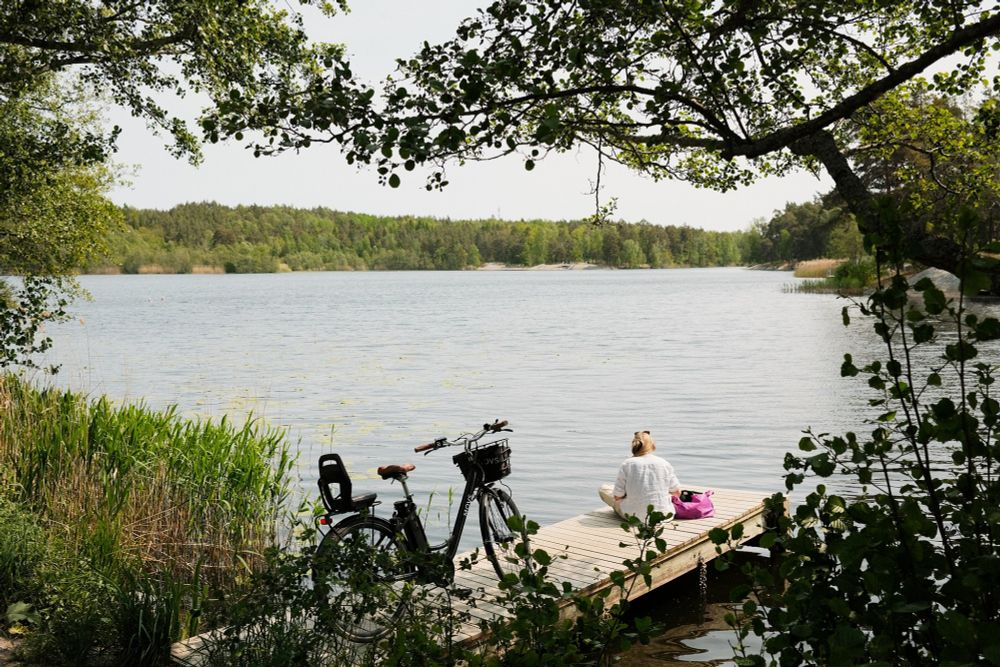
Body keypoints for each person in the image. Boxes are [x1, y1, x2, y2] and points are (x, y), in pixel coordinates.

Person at [599, 431, 681, 520]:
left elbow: (618, 496)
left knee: (603, 489)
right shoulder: (664, 463)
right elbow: (677, 492)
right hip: (664, 515)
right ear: (653, 445)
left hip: (634, 516)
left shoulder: (627, 464)